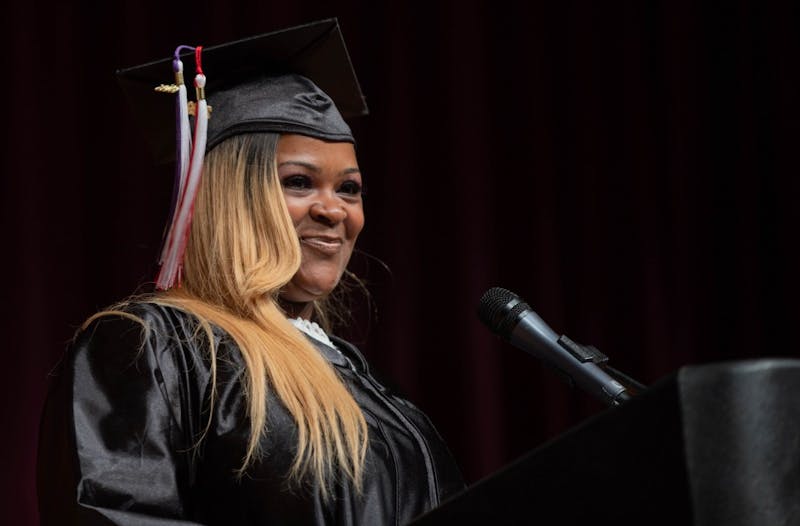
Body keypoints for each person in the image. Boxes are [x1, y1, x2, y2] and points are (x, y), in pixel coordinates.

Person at [37, 19, 465, 525]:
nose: (335, 211)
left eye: (349, 189)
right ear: (231, 197)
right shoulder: (157, 347)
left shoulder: (361, 377)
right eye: (300, 182)